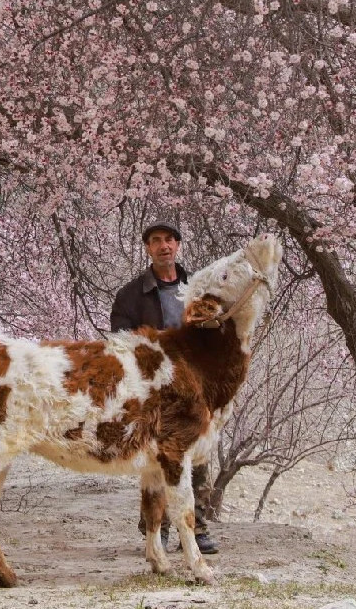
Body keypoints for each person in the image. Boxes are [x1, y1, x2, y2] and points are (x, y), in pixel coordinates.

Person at [109, 221, 219, 556]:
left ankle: (197, 527)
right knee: (155, 460)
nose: (163, 246)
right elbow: (120, 341)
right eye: (156, 241)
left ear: (178, 245)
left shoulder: (198, 289)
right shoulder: (130, 295)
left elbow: (217, 331)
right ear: (148, 248)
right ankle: (158, 530)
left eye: (169, 240)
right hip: (153, 390)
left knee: (197, 458)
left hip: (193, 388)